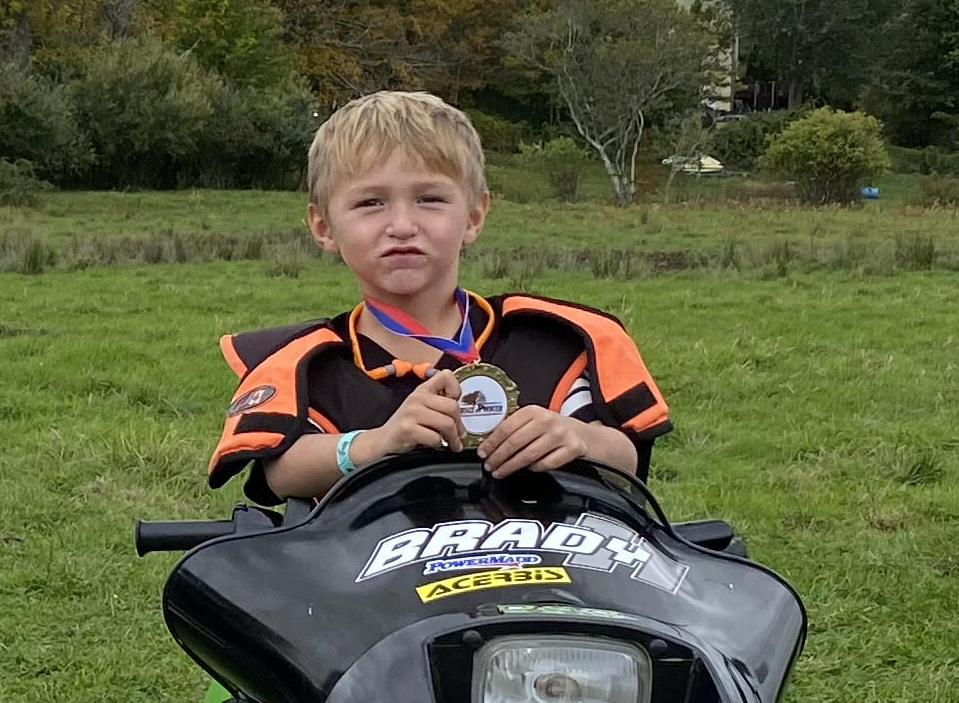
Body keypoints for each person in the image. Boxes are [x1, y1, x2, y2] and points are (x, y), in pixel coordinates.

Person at [207, 89, 668, 501]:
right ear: (323, 227)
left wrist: (579, 439)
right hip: (371, 588)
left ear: (473, 217)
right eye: (371, 203)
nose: (402, 225)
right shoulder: (307, 363)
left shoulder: (555, 343)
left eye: (429, 199)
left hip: (544, 582)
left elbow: (625, 460)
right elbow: (280, 473)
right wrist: (375, 444)